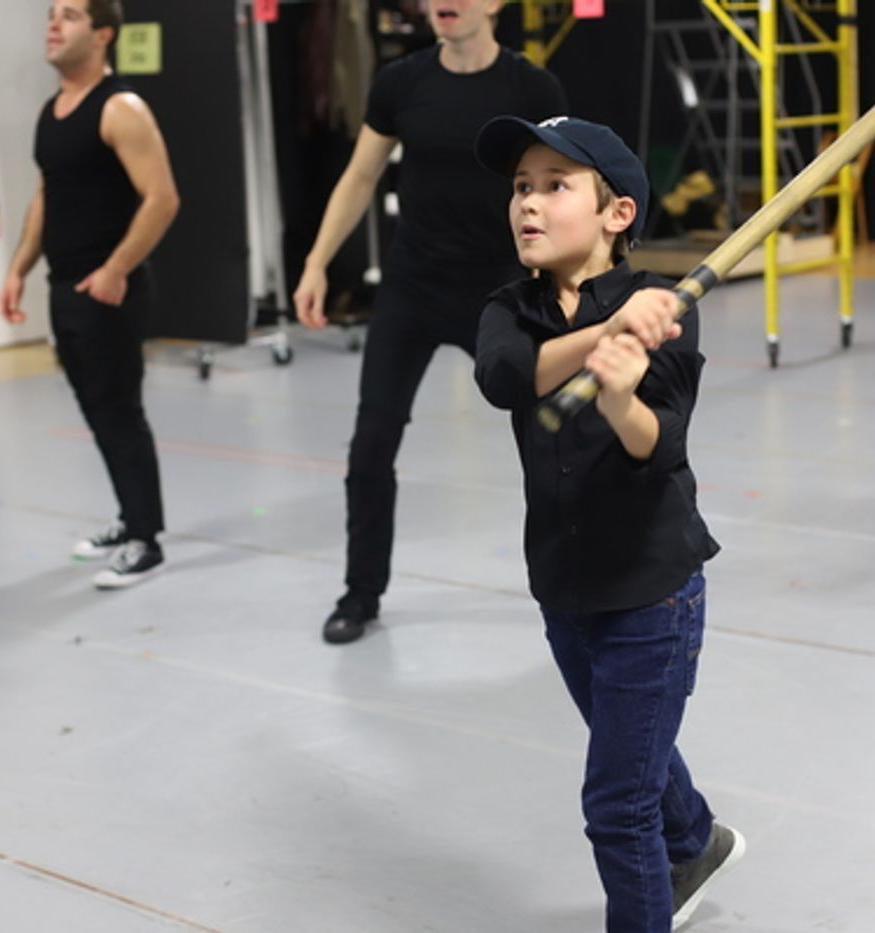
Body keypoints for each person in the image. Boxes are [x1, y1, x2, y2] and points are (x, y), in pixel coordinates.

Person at [472, 115, 743, 932]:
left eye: (556, 185)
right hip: (563, 586)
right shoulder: (510, 308)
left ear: (616, 212)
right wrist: (600, 338)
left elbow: (659, 448)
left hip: (650, 596)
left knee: (616, 804)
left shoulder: (662, 307)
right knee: (635, 750)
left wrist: (621, 391)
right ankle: (696, 838)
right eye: (521, 185)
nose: (528, 203)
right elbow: (503, 377)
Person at [293, 0, 566, 644]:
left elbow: (564, 189)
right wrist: (315, 264)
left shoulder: (532, 88)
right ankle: (361, 593)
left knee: (551, 443)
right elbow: (360, 176)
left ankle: (571, 586)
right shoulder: (401, 82)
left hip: (500, 295)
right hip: (413, 289)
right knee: (370, 446)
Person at [0, 0, 179, 590]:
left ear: (102, 34)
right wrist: (19, 268)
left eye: (70, 15)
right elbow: (47, 195)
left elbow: (162, 198)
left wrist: (115, 269)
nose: (53, 23)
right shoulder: (52, 113)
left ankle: (146, 540)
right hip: (64, 288)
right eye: (52, 14)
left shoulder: (120, 108)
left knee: (119, 409)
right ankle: (130, 517)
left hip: (107, 291)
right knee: (96, 409)